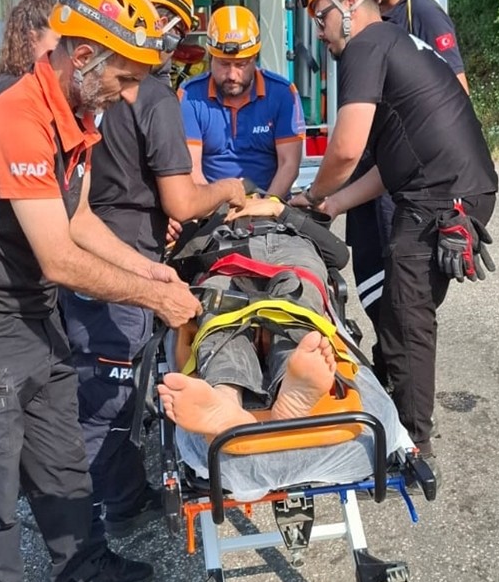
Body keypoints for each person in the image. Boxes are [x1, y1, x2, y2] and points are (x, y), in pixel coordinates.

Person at [0, 0, 203, 582]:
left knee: (63, 462)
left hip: (32, 314)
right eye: (121, 77)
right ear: (80, 55)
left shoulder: (78, 121)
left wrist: (153, 276)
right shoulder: (16, 117)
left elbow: (82, 223)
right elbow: (60, 257)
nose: (128, 95)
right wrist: (152, 300)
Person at [59, 0, 246, 541]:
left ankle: (118, 497)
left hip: (90, 235)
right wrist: (228, 188)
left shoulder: (83, 92)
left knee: (94, 378)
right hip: (125, 244)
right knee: (111, 395)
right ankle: (106, 517)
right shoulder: (154, 95)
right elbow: (182, 199)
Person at [290, 0, 498, 479]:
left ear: (350, 6)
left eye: (321, 17)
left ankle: (410, 444)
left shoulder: (365, 45)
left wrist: (312, 191)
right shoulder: (393, 44)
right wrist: (331, 204)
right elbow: (388, 161)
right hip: (454, 188)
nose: (319, 32)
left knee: (407, 317)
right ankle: (396, 406)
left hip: (437, 197)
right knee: (407, 307)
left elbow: (344, 149)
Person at [157, 197, 413, 501]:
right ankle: (225, 401)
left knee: (293, 307)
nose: (250, 199)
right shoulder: (211, 219)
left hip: (292, 256)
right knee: (219, 314)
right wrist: (209, 218)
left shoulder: (293, 215)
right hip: (224, 261)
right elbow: (178, 267)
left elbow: (339, 254)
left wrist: (281, 211)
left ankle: (281, 388)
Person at [345, 0, 469, 378]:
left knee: (404, 296)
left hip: (403, 179)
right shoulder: (362, 16)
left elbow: (456, 99)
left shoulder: (424, 16)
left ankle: (401, 390)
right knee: (373, 279)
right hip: (371, 168)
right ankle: (388, 370)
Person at [178, 4, 305, 198]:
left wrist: (267, 206)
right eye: (223, 64)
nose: (232, 74)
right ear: (210, 56)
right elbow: (191, 168)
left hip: (270, 206)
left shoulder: (283, 94)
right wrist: (216, 210)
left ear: (254, 57)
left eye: (241, 64)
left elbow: (289, 165)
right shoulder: (189, 96)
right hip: (210, 209)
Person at [0, 0, 60, 80]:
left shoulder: (6, 83)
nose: (64, 48)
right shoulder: (18, 91)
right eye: (59, 41)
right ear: (33, 38)